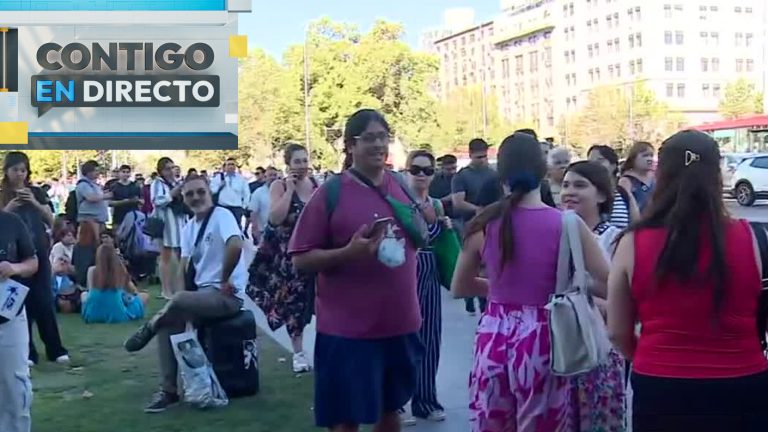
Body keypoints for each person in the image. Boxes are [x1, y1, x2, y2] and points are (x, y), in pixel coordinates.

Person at [608, 130, 768, 430]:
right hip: (742, 380)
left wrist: (652, 355)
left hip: (660, 382)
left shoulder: (632, 243)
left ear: (661, 176)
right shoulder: (754, 238)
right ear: (717, 175)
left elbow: (617, 331)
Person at [451, 132, 609, 432]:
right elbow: (611, 283)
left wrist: (501, 291)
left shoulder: (483, 224)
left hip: (493, 336)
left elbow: (460, 287)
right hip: (544, 338)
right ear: (544, 171)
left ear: (501, 176)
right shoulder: (567, 223)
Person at [289, 109, 425, 432]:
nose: (379, 145)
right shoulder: (331, 192)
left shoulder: (400, 185)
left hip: (400, 325)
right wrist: (347, 254)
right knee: (345, 421)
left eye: (383, 137)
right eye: (369, 138)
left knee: (391, 412)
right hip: (348, 333)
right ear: (351, 145)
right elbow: (300, 259)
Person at [124, 174, 247, 413]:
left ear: (209, 192)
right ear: (183, 198)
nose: (196, 197)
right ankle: (168, 391)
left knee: (176, 302)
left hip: (227, 295)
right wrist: (181, 304)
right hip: (201, 296)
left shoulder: (222, 215)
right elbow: (183, 267)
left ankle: (150, 326)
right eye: (190, 194)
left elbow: (235, 244)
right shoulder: (189, 227)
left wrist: (224, 278)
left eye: (200, 191)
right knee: (170, 319)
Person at [560, 161, 626, 430]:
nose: (569, 192)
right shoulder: (552, 232)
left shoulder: (616, 239)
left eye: (580, 185)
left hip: (599, 350)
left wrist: (577, 303)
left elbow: (624, 303)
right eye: (565, 185)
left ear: (601, 195)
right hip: (558, 349)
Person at [248, 144, 318, 373]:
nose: (302, 165)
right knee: (294, 305)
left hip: (315, 251)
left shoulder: (316, 185)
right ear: (288, 164)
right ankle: (298, 353)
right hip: (289, 254)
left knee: (320, 301)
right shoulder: (279, 186)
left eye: (305, 160)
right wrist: (289, 190)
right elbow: (275, 218)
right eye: (297, 161)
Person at [1, 152, 69, 366]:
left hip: (38, 252)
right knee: (19, 302)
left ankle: (55, 349)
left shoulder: (36, 192)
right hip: (12, 257)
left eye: (23, 170)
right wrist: (9, 208)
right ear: (6, 171)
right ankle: (28, 351)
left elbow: (52, 220)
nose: (20, 174)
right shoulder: (2, 194)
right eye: (15, 170)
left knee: (44, 301)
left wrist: (34, 203)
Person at [399, 150, 450, 424]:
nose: (421, 175)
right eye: (416, 169)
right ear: (406, 171)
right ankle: (398, 402)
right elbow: (411, 238)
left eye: (427, 170)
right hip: (403, 271)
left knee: (429, 337)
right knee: (401, 337)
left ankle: (425, 400)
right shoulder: (398, 202)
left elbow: (435, 242)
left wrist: (441, 225)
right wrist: (435, 226)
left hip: (428, 270)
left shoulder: (436, 205)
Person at [0, 210, 39, 432]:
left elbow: (32, 262)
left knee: (15, 385)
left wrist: (14, 268)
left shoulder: (10, 222)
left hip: (9, 314)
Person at [452, 138, 496, 316]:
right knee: (473, 266)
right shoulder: (462, 176)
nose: (483, 160)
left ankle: (486, 306)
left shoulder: (493, 174)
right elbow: (458, 202)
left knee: (488, 267)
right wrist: (478, 209)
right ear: (470, 155)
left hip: (492, 224)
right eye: (479, 157)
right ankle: (471, 299)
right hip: (471, 225)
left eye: (485, 156)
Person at [81, 244, 148, 324]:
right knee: (144, 296)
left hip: (92, 314)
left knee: (84, 294)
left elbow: (90, 292)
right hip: (118, 314)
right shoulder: (120, 270)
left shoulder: (92, 270)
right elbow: (133, 291)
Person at [151, 157, 187, 300]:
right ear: (161, 171)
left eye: (173, 167)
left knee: (180, 256)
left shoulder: (177, 182)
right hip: (166, 224)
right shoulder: (157, 183)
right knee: (165, 257)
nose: (171, 171)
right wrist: (172, 194)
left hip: (180, 223)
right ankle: (165, 290)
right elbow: (157, 201)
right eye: (167, 169)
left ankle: (179, 288)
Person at [587, 145, 640, 229]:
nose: (594, 166)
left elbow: (636, 224)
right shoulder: (586, 193)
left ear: (613, 165)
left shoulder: (623, 193)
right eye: (590, 163)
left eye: (600, 160)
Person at [210, 157, 250, 229]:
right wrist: (220, 186)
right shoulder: (219, 178)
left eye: (232, 164)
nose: (231, 166)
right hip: (223, 207)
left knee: (236, 228)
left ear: (235, 166)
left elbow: (247, 193)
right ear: (225, 166)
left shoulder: (241, 179)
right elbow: (211, 190)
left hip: (236, 208)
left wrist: (243, 206)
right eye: (228, 164)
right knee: (223, 228)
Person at [619, 141, 655, 213]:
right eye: (645, 156)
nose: (650, 159)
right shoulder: (626, 180)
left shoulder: (655, 178)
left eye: (651, 156)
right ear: (634, 158)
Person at [75, 160, 111, 231]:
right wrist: (107, 195)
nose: (98, 173)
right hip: (89, 220)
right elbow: (91, 198)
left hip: (98, 219)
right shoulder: (83, 184)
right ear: (88, 172)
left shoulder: (94, 185)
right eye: (95, 171)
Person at [247, 166, 279, 243]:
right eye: (270, 175)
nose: (273, 177)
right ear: (265, 177)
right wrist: (256, 231)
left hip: (279, 231)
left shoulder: (282, 191)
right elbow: (253, 213)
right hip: (263, 231)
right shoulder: (258, 193)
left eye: (275, 175)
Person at [108, 164, 142, 229]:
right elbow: (110, 203)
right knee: (117, 234)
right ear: (119, 173)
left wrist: (138, 201)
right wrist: (124, 202)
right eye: (123, 172)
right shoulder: (114, 186)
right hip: (118, 217)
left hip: (133, 216)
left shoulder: (135, 186)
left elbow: (141, 201)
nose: (125, 174)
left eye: (127, 172)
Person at [429, 154, 457, 221]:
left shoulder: (460, 178)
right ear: (442, 168)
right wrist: (447, 199)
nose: (452, 172)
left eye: (454, 168)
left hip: (457, 216)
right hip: (439, 216)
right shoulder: (434, 180)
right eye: (448, 169)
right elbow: (431, 202)